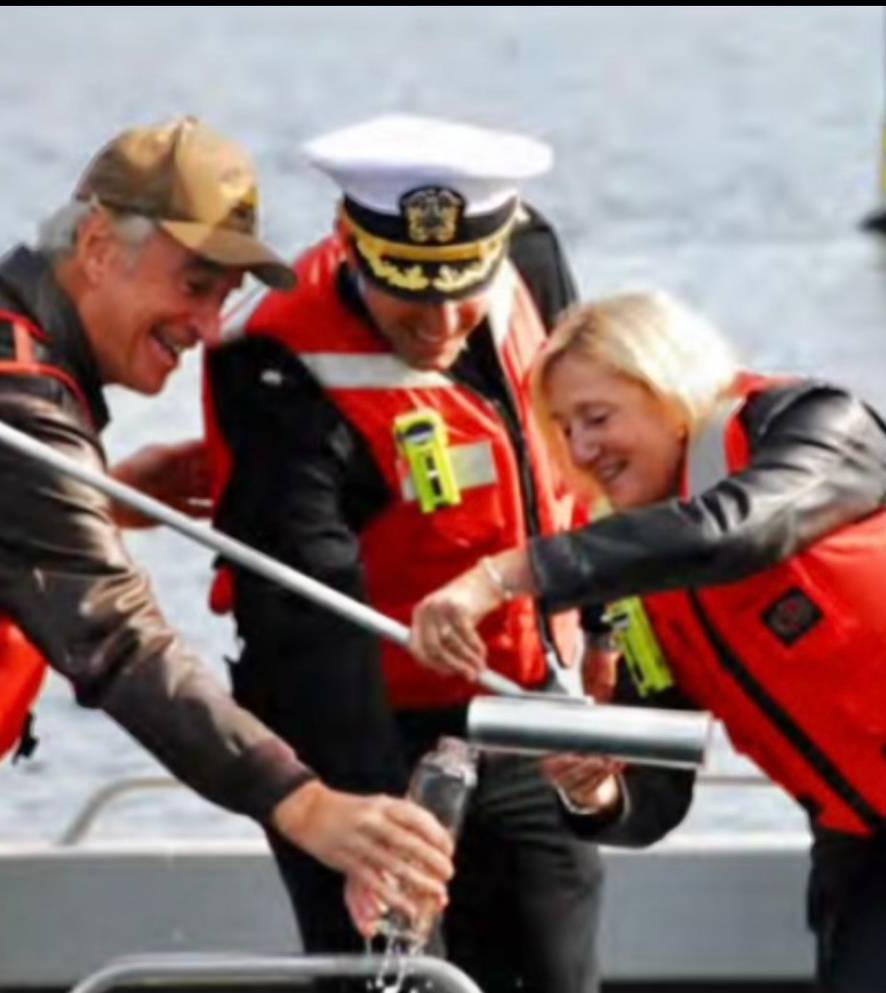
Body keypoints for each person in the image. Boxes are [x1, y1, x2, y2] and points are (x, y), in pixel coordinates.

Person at [409, 289, 886, 992]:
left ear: (668, 389)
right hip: (882, 846)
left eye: (597, 417)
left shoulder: (813, 426)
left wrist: (508, 574)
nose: (582, 449)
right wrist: (599, 789)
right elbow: (655, 798)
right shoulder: (641, 581)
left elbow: (739, 530)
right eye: (564, 430)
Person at [0, 117, 455, 990]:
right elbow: (123, 644)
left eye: (227, 296)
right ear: (99, 246)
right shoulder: (9, 415)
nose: (211, 326)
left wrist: (104, 500)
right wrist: (307, 803)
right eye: (196, 282)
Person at [204, 115, 604, 993]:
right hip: (358, 717)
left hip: (526, 705)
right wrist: (373, 831)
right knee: (394, 976)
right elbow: (307, 615)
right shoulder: (273, 360)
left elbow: (592, 462)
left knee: (555, 969)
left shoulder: (532, 263)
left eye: (465, 286)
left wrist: (609, 648)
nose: (442, 319)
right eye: (409, 292)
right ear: (352, 243)